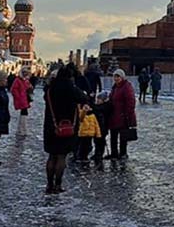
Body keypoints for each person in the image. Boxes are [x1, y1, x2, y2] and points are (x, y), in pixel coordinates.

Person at [43, 65, 89, 193]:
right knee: (61, 156)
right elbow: (84, 98)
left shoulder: (50, 89)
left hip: (51, 127)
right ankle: (58, 185)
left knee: (52, 156)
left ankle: (49, 185)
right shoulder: (71, 88)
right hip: (67, 127)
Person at [107, 69, 136, 160]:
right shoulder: (115, 87)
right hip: (114, 115)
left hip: (123, 116)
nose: (116, 78)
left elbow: (131, 102)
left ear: (122, 77)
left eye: (118, 76)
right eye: (115, 76)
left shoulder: (126, 87)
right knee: (113, 136)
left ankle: (123, 153)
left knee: (123, 136)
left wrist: (127, 114)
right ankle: (114, 153)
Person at [10, 70, 33, 137]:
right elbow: (13, 89)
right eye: (24, 73)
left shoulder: (25, 80)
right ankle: (23, 130)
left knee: (23, 114)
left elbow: (29, 87)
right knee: (24, 113)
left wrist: (30, 88)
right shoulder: (17, 80)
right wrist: (18, 96)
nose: (26, 74)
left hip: (25, 99)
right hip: (21, 99)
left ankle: (20, 129)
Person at [90, 91, 111, 166]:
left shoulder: (105, 107)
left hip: (103, 127)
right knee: (96, 141)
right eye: (97, 99)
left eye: (99, 99)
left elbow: (96, 109)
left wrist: (91, 100)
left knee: (101, 141)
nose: (97, 101)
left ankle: (99, 154)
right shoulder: (102, 106)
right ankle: (97, 153)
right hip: (97, 127)